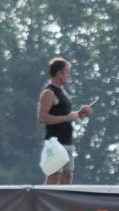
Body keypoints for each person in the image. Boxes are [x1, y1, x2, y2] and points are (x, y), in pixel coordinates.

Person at [37, 58, 93, 186]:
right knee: (54, 175)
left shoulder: (63, 93)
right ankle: (44, 198)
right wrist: (67, 118)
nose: (69, 75)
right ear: (59, 73)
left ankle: (62, 199)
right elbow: (42, 117)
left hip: (67, 141)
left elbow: (65, 115)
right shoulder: (48, 93)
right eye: (67, 72)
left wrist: (79, 114)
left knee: (68, 175)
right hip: (54, 142)